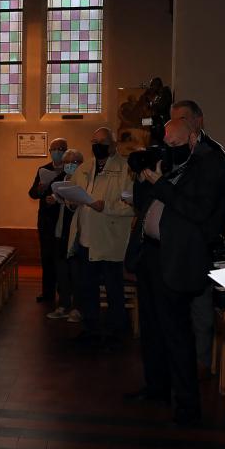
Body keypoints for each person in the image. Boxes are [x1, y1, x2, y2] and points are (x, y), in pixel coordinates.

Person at [126, 119, 225, 424]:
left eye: (175, 143)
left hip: (177, 260)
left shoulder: (210, 166)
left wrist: (160, 183)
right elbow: (146, 204)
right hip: (152, 255)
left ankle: (187, 405)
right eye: (166, 143)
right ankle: (157, 388)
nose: (169, 148)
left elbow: (198, 212)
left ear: (193, 137)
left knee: (176, 334)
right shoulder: (171, 164)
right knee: (152, 329)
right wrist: (144, 174)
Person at [170, 99, 225, 373]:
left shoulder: (211, 154)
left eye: (183, 119)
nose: (178, 125)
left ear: (198, 121)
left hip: (203, 242)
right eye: (173, 120)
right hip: (181, 245)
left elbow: (212, 205)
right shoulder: (181, 153)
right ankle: (182, 360)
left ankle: (201, 362)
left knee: (201, 308)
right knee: (181, 309)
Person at [66, 127, 133, 345]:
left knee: (114, 288)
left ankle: (117, 332)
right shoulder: (85, 168)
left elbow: (132, 206)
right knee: (88, 288)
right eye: (94, 141)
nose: (97, 145)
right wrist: (70, 200)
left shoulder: (125, 169)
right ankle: (91, 329)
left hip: (111, 239)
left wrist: (105, 206)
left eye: (102, 141)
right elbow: (73, 193)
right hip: (87, 238)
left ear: (113, 144)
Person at [46, 149, 84, 322]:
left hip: (77, 231)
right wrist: (54, 199)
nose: (69, 165)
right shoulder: (62, 179)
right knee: (61, 269)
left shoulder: (84, 180)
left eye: (73, 162)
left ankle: (77, 307)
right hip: (61, 230)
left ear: (80, 163)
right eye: (67, 162)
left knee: (76, 271)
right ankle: (63, 304)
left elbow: (83, 203)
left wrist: (70, 202)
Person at [29, 137, 68, 303]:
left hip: (64, 219)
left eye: (61, 149)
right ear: (50, 151)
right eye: (54, 149)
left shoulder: (71, 170)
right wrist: (40, 189)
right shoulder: (43, 169)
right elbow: (32, 194)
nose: (57, 152)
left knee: (63, 257)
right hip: (46, 220)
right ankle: (47, 293)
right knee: (47, 257)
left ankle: (65, 293)